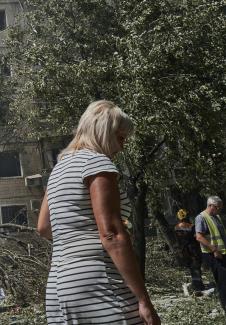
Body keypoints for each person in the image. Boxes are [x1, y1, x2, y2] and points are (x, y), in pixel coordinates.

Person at [38, 100, 160, 325]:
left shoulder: (59, 168)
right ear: (105, 132)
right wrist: (144, 300)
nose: (122, 146)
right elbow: (112, 234)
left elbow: (44, 227)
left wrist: (82, 233)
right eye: (121, 138)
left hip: (60, 287)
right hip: (99, 283)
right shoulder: (97, 164)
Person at [174, 209, 205, 294]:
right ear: (186, 216)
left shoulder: (176, 227)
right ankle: (196, 286)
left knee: (192, 267)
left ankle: (199, 284)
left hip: (184, 251)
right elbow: (197, 238)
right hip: (193, 250)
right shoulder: (191, 226)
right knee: (196, 268)